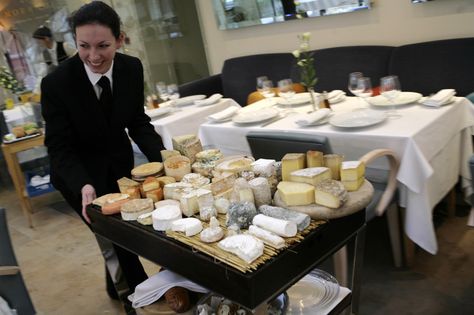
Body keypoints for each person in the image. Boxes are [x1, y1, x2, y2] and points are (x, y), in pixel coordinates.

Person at [40, 1, 191, 310]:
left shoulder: (130, 68)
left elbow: (137, 122)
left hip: (119, 167)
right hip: (76, 175)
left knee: (125, 234)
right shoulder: (56, 83)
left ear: (120, 39)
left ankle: (119, 287)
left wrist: (168, 159)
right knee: (113, 240)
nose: (93, 56)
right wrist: (83, 184)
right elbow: (59, 147)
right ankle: (134, 298)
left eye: (103, 46)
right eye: (84, 46)